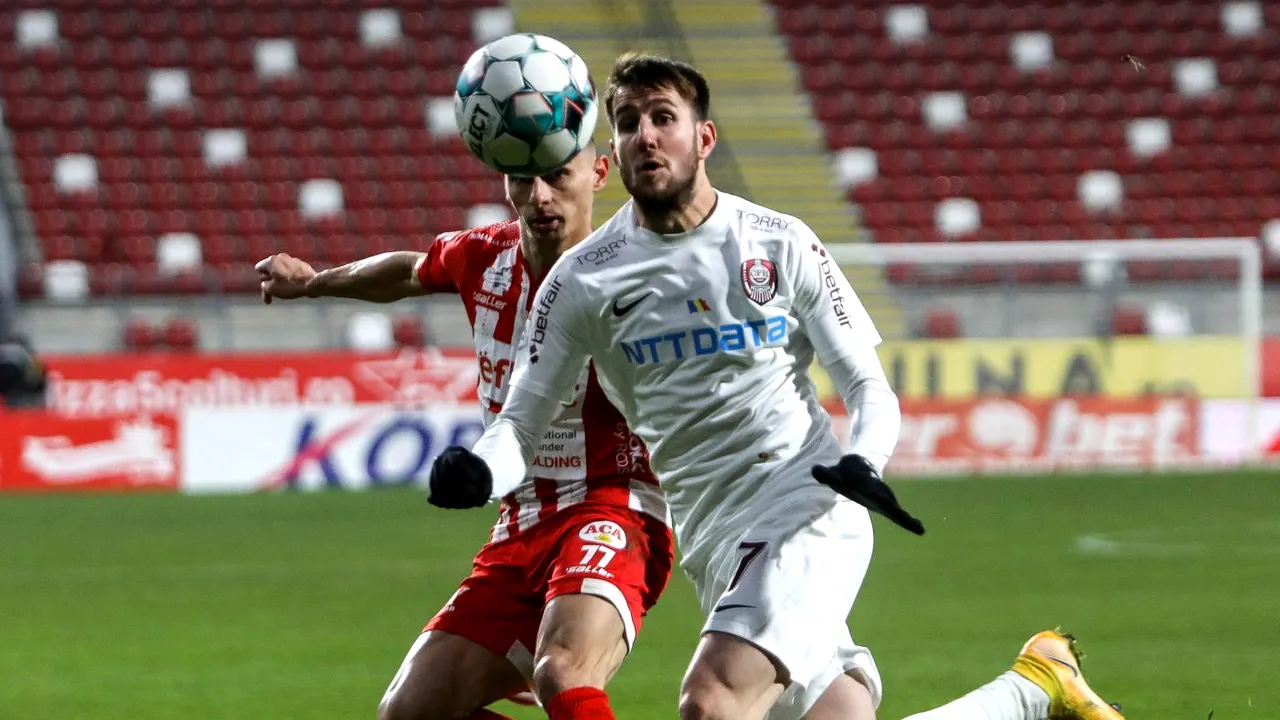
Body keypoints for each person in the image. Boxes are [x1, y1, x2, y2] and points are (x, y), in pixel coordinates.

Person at [426, 53, 1124, 720]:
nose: (646, 135)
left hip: (806, 503)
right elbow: (520, 424)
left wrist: (864, 460)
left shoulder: (779, 241)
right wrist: (479, 472)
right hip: (712, 538)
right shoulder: (581, 280)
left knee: (711, 703)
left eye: (663, 117)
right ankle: (1034, 688)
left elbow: (867, 385)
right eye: (630, 120)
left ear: (704, 138)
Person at [255, 141, 674, 720]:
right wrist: (315, 282)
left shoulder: (637, 270)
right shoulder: (485, 256)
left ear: (600, 172)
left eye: (558, 175)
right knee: (408, 715)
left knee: (564, 670)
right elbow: (407, 269)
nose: (541, 196)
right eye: (523, 180)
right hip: (520, 523)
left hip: (614, 507)